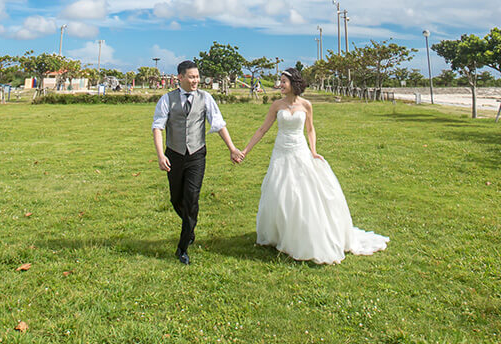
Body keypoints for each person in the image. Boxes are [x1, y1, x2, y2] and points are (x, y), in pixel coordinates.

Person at [240, 66, 388, 264]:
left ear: (294, 83)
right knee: (279, 190)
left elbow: (310, 129)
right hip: (281, 152)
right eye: (280, 81)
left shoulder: (306, 105)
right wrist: (245, 151)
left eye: (284, 81)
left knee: (301, 192)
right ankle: (280, 232)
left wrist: (313, 150)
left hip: (299, 150)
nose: (280, 84)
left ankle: (303, 230)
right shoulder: (276, 105)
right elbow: (262, 129)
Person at [152, 60, 244, 265]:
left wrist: (232, 148)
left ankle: (183, 247)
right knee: (176, 199)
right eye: (191, 77)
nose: (196, 81)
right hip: (174, 154)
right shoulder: (167, 99)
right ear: (180, 78)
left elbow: (218, 124)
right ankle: (190, 226)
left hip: (196, 155)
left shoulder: (206, 98)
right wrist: (160, 155)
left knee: (192, 198)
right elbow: (158, 127)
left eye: (197, 77)